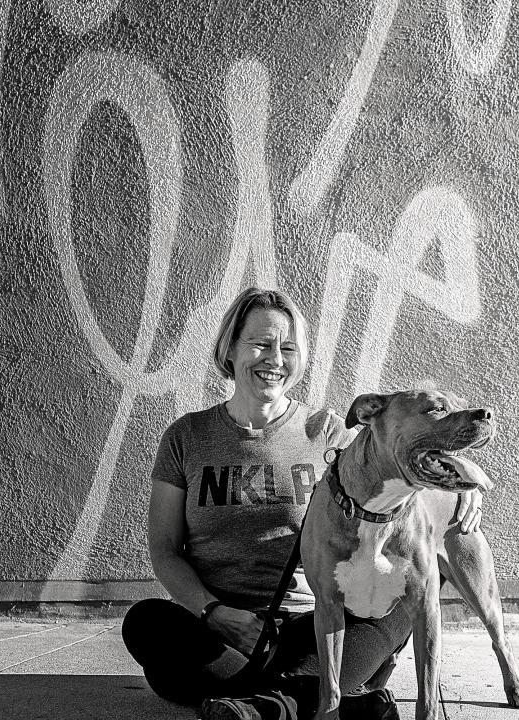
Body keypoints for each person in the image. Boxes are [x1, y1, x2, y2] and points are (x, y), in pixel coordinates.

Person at [122, 287, 485, 720]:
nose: (274, 359)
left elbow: (396, 470)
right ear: (230, 349)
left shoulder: (327, 432)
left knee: (406, 600)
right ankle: (314, 698)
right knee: (145, 622)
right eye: (261, 343)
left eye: (288, 347)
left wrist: (458, 487)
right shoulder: (186, 438)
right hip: (219, 631)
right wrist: (216, 614)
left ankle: (274, 699)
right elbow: (164, 551)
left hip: (311, 625)